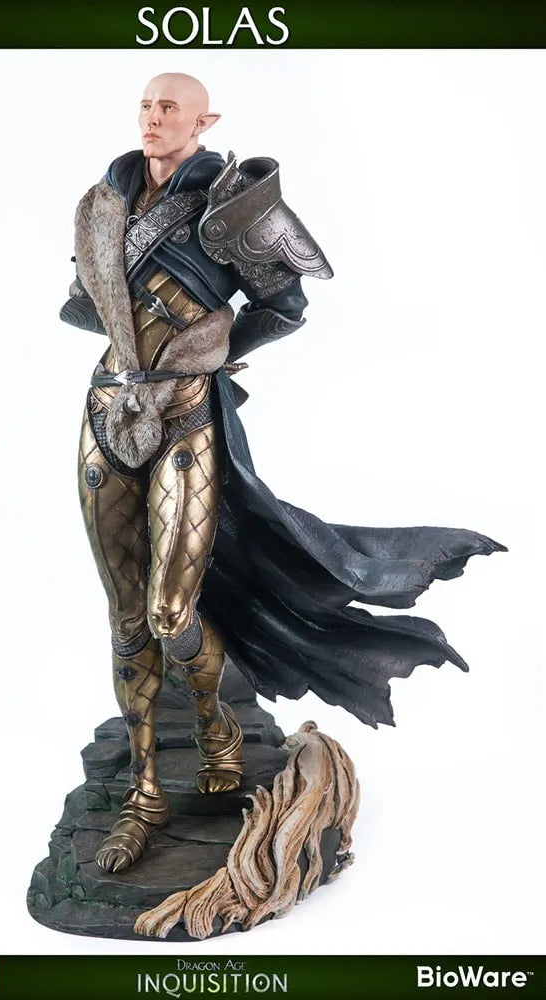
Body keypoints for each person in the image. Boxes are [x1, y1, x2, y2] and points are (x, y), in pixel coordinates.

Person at [61, 73, 504, 875]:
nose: (153, 118)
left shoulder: (236, 202)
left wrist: (211, 349)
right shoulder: (105, 201)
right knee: (124, 618)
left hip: (187, 412)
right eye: (146, 105)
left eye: (169, 107)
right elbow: (83, 300)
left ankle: (215, 724)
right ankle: (145, 794)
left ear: (204, 120)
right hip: (109, 408)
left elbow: (285, 304)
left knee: (169, 610)